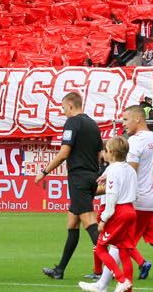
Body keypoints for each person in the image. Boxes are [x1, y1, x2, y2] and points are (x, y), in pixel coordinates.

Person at [86, 104, 153, 292]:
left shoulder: (136, 142)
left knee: (117, 244)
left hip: (138, 202)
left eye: (126, 119)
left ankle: (104, 285)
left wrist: (107, 181)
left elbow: (130, 171)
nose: (124, 124)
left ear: (138, 119)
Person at [36, 92, 104, 280]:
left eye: (64, 107)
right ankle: (60, 270)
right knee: (72, 223)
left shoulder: (73, 123)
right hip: (91, 176)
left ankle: (111, 268)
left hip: (78, 178)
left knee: (90, 222)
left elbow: (64, 152)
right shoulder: (93, 124)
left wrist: (44, 172)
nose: (63, 110)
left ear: (71, 106)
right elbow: (100, 155)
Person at [84, 135, 142, 292]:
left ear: (110, 153)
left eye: (105, 151)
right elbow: (136, 193)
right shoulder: (129, 169)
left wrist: (103, 219)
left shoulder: (114, 170)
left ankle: (121, 280)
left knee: (101, 247)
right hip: (131, 210)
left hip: (119, 211)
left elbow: (112, 196)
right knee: (124, 250)